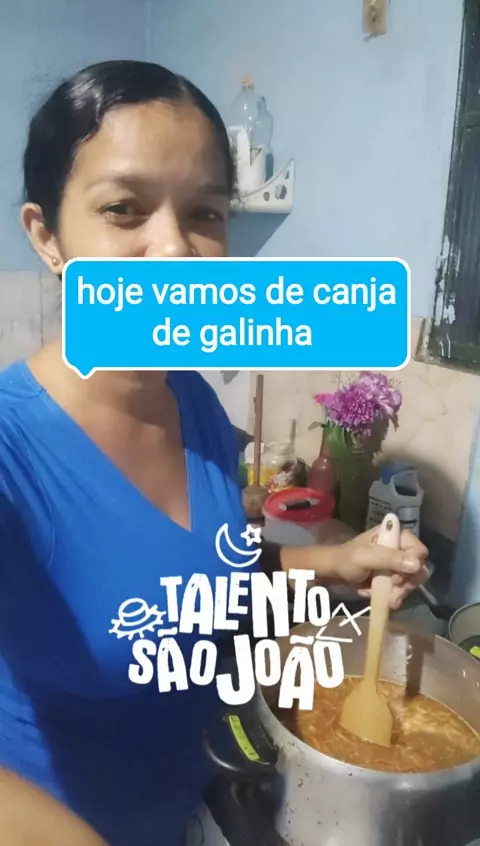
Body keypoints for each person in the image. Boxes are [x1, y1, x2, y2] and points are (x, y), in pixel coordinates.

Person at [0, 60, 429, 846]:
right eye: (124, 209)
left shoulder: (193, 400)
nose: (175, 250)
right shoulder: (11, 453)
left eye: (204, 213)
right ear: (46, 235)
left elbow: (201, 576)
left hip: (185, 812)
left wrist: (335, 562)